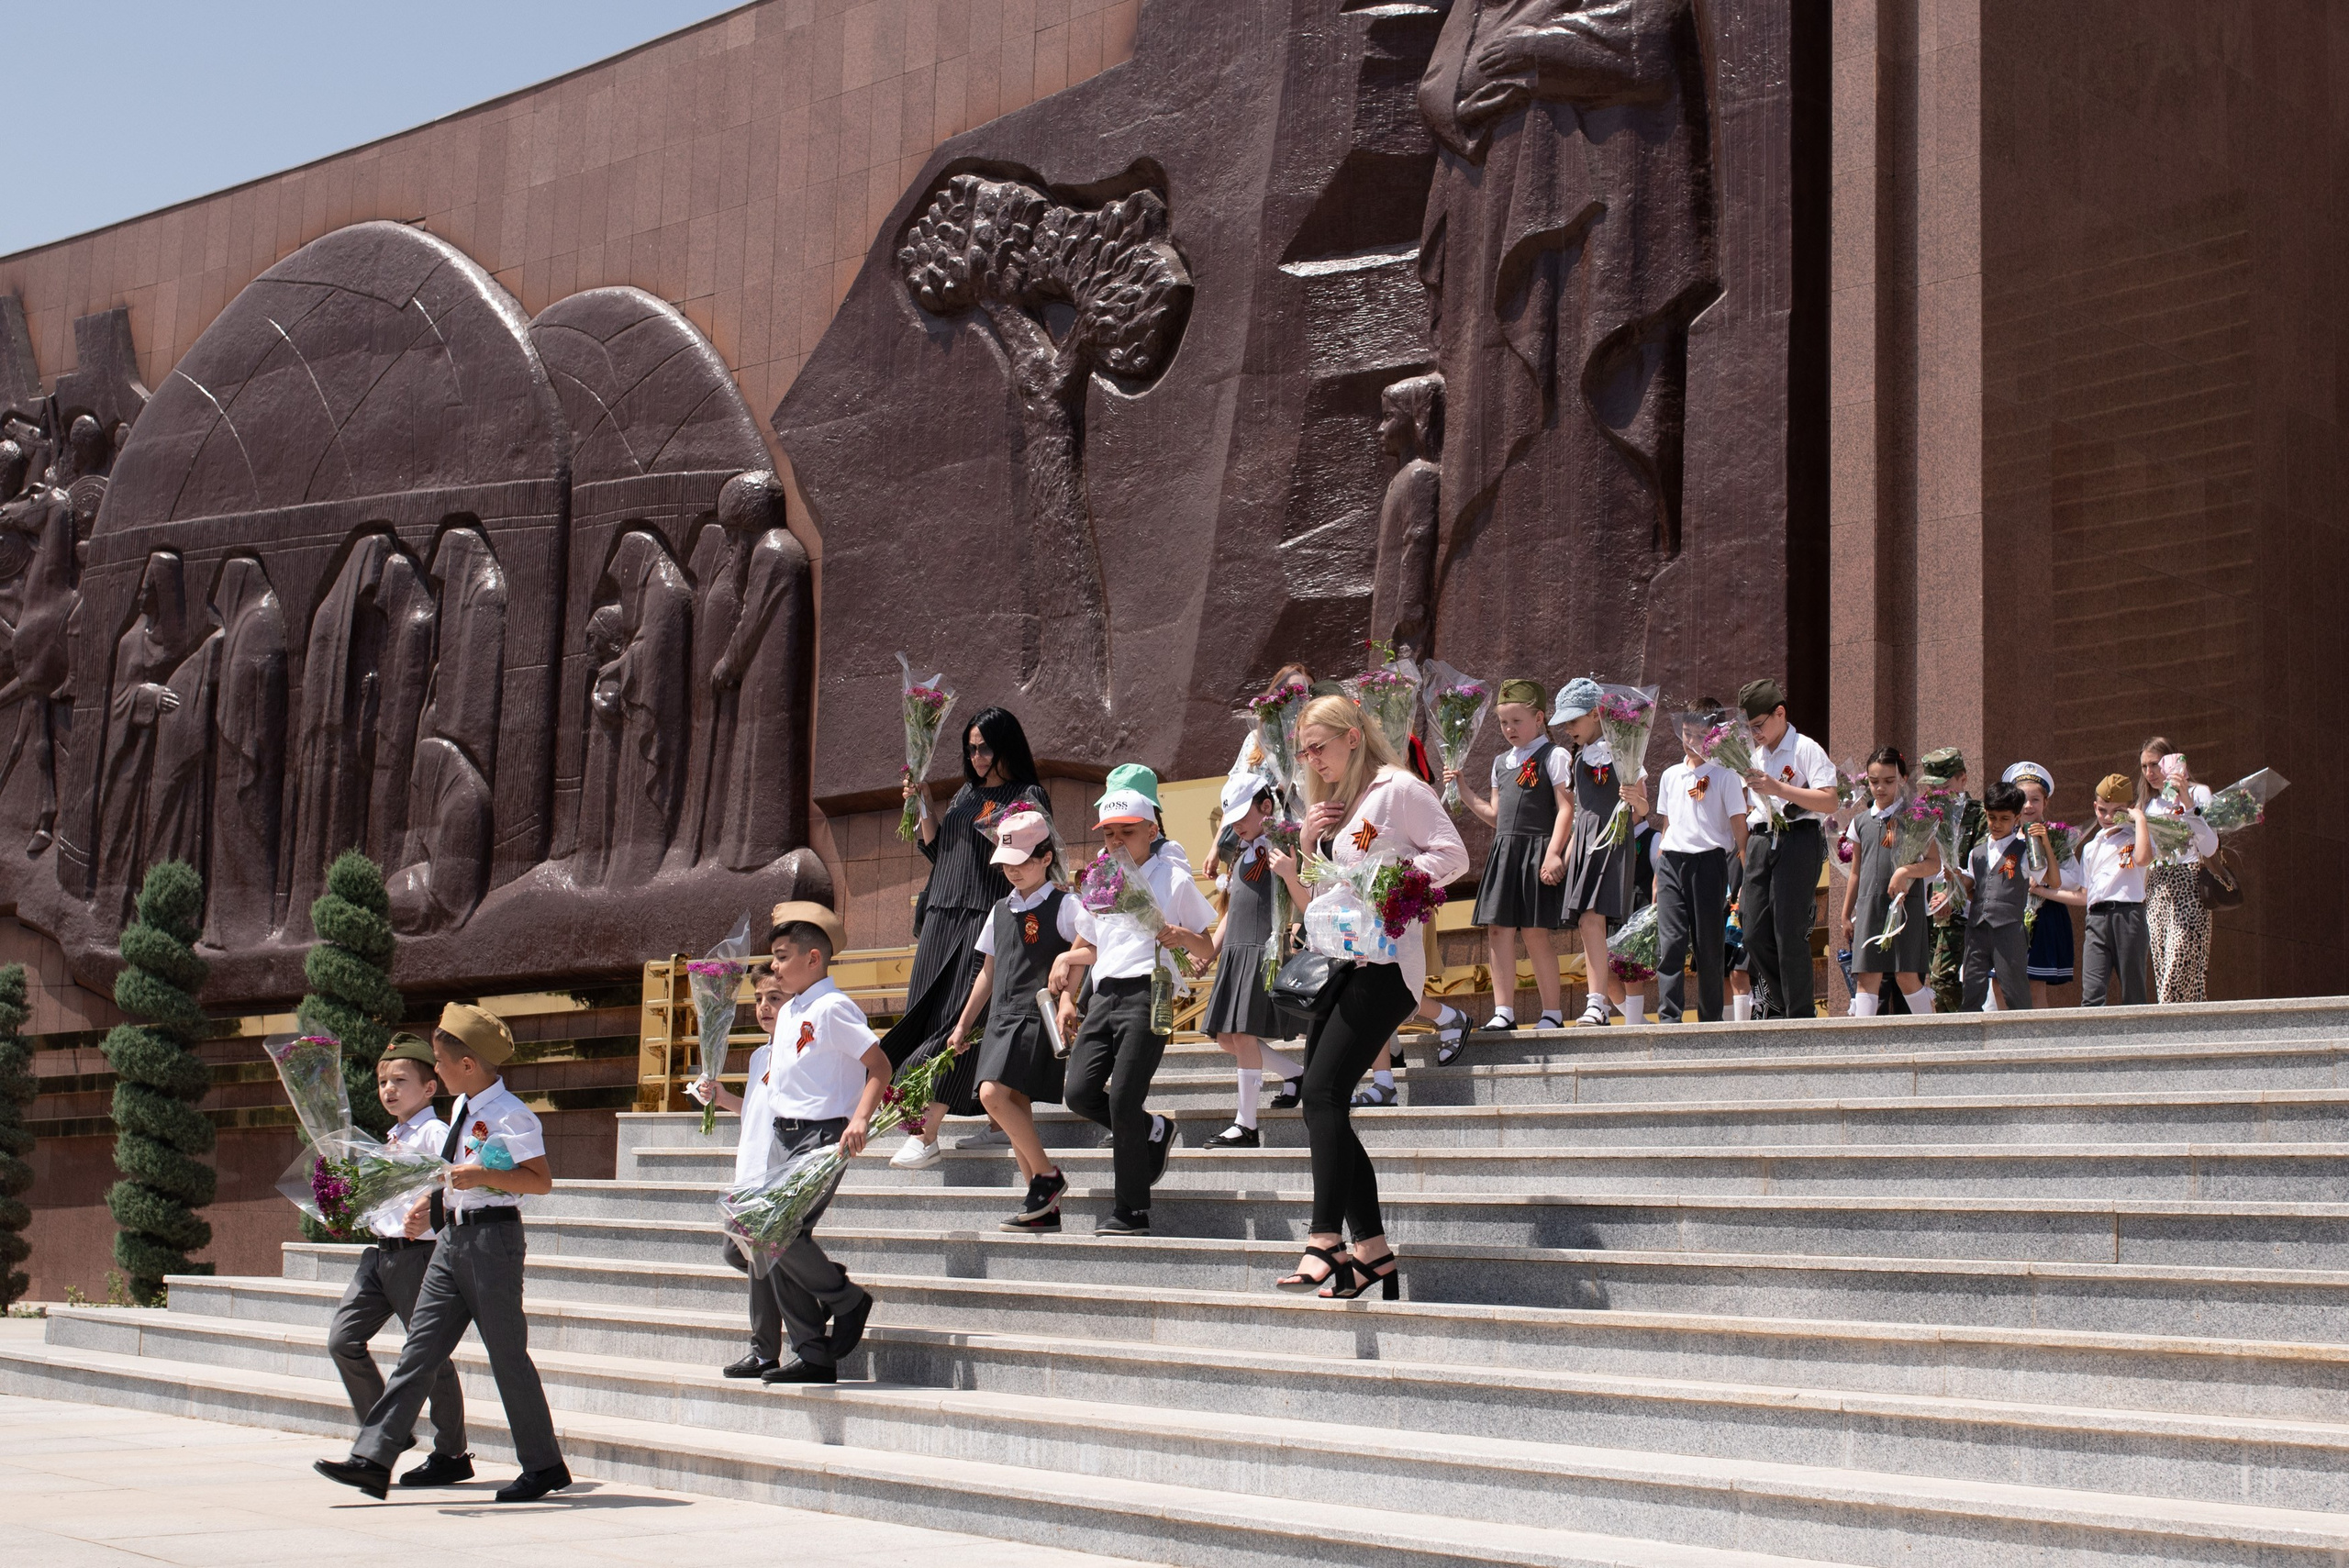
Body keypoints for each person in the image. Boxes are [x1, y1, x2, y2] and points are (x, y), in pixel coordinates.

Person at [316, 1005, 568, 1503]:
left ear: (468, 1065)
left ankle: (544, 1465)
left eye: (441, 1061)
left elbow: (540, 1181)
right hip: (452, 1239)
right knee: (420, 1350)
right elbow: (447, 1177)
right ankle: (373, 1459)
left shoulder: (510, 1113)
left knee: (506, 1355)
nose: (438, 1069)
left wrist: (484, 1177)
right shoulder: (461, 1110)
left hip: (492, 1241)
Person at [1275, 695, 1467, 1301]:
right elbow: (1330, 892)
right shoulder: (1339, 806)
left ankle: (1326, 1238)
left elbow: (1453, 855)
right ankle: (1374, 1251)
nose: (1312, 759)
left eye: (1320, 746)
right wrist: (1310, 843)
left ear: (1353, 736)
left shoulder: (1398, 788)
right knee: (1321, 1098)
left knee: (1323, 1092)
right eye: (1304, 751)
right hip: (1342, 961)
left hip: (1386, 967)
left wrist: (1396, 880)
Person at [1052, 765, 1217, 1236]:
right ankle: (1155, 1130)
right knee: (1079, 1092)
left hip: (1151, 992)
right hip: (1104, 994)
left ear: (1152, 829)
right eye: (1109, 833)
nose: (1117, 841)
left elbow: (1206, 949)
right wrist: (1068, 992)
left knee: (1124, 1099)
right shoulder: (1100, 879)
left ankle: (1132, 1210)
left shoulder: (1174, 879)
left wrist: (1183, 935)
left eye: (1128, 831)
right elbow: (1092, 944)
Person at [892, 707, 1052, 1169]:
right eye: (970, 748)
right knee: (925, 1015)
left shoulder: (1027, 794)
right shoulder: (963, 793)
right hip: (941, 914)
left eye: (984, 747)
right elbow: (940, 851)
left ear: (1006, 745)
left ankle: (926, 1134)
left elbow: (1033, 858)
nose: (976, 756)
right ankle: (1000, 1124)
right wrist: (922, 804)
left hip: (985, 916)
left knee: (955, 1019)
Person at [322, 1033, 469, 1487]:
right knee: (342, 1340)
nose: (388, 1089)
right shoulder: (390, 1138)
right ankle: (390, 1429)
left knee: (431, 1357)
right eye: (383, 1081)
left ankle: (451, 1452)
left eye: (400, 1080)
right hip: (378, 1258)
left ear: (429, 1088)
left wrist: (424, 1223)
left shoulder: (436, 1134)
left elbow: (454, 1190)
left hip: (418, 1258)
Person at [757, 901, 889, 1384]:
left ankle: (846, 1299)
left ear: (814, 958)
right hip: (783, 1134)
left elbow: (880, 1066)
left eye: (782, 955)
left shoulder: (834, 1007)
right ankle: (814, 1354)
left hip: (821, 1136)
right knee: (771, 1239)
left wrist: (859, 1119)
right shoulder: (792, 1007)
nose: (774, 965)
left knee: (776, 1231)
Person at [945, 810, 1085, 1229]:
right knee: (1014, 1103)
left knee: (991, 1096)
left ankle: (1047, 1177)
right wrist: (963, 1023)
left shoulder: (1066, 903)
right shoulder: (999, 909)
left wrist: (1068, 999)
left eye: (1022, 861)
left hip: (1035, 1015)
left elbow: (1090, 942)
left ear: (1045, 857)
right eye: (1006, 863)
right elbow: (988, 971)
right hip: (1001, 1019)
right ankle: (1042, 1207)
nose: (1012, 871)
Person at [689, 964, 793, 1378]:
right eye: (759, 1000)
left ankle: (764, 1351)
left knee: (757, 1259)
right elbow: (754, 1110)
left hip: (776, 1172)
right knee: (739, 1252)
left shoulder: (797, 1050)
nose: (764, 1007)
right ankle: (814, 1279)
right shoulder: (759, 1055)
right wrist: (719, 1096)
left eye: (775, 999)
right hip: (749, 1169)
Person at [1453, 678, 1573, 1037]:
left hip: (1537, 850)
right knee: (1498, 930)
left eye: (1517, 721)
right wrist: (1461, 787)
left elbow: (1566, 807)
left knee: (1536, 932)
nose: (1509, 729)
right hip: (1505, 851)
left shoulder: (1555, 755)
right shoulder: (1500, 762)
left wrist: (1554, 852)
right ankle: (1503, 1010)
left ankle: (1551, 1011)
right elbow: (1495, 815)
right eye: (1504, 723)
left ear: (1539, 718)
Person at [1197, 775, 1305, 1148]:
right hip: (1236, 950)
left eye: (1245, 815)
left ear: (1267, 807)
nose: (1238, 825)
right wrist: (1211, 948)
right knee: (1227, 1037)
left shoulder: (1283, 844)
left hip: (1262, 948)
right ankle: (1295, 1074)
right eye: (1233, 819)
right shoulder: (1242, 849)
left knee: (1241, 1035)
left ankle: (1246, 1124)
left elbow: (1298, 893)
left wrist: (1292, 929)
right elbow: (1233, 907)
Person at [1734, 679, 1841, 1019]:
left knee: (1788, 930)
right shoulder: (1754, 755)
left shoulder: (1805, 749)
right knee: (1751, 931)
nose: (1755, 734)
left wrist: (1778, 787)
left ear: (1780, 713)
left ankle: (1800, 1014)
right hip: (1761, 839)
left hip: (1798, 838)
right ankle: (1785, 998)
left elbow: (1829, 799)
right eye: (1750, 728)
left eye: (1759, 726)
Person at [1549, 677, 1645, 1028]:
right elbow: (1579, 812)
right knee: (1588, 924)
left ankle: (1597, 1003)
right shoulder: (1578, 759)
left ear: (1594, 714)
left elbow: (1642, 808)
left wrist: (1634, 804)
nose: (1568, 728)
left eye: (1573, 720)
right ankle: (1598, 1002)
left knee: (1592, 919)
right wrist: (1564, 854)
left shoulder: (1623, 749)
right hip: (1585, 845)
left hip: (1612, 840)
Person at [1648, 710, 1750, 1023]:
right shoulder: (1670, 775)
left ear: (1715, 735)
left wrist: (1745, 876)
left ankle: (1710, 1020)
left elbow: (1739, 829)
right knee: (1672, 943)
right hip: (1671, 864)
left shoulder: (1726, 775)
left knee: (1708, 947)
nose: (1691, 742)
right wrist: (1658, 872)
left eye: (1700, 735)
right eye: (1687, 734)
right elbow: (1668, 825)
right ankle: (1669, 1018)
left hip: (1708, 864)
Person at [1834, 748, 1940, 1018]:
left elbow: (1934, 863)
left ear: (1903, 779)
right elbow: (1856, 871)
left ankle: (1933, 1032)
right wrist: (1846, 914)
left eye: (1889, 781)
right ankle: (1865, 1048)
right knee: (1866, 976)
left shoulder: (1916, 817)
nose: (1880, 788)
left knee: (1906, 975)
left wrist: (1905, 871)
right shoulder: (1860, 822)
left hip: (1905, 906)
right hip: (1869, 904)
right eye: (1873, 781)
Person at [1957, 781, 2056, 1011]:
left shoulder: (2024, 850)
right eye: (1992, 817)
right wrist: (1955, 880)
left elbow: (2053, 880)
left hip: (2009, 929)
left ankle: (2022, 1041)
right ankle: (1969, 1040)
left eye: (2004, 818)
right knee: (1971, 989)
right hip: (1977, 928)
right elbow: (1973, 888)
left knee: (2015, 991)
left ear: (2017, 818)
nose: (1997, 824)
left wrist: (2046, 843)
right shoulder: (1977, 853)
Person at [2139, 739, 2220, 1004]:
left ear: (2173, 761)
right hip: (2158, 888)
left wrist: (2186, 801)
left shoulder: (2199, 793)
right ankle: (2188, 1034)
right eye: (2144, 766)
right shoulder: (2149, 806)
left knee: (2180, 965)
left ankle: (2167, 1030)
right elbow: (2146, 857)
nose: (2149, 772)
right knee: (2165, 969)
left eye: (2155, 764)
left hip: (2190, 883)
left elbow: (2209, 847)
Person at [2076, 773, 2155, 1006]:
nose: (2109, 817)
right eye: (2102, 810)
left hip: (2128, 916)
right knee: (2091, 994)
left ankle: (2138, 1041)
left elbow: (2142, 859)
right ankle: (2091, 1042)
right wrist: (2042, 890)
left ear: (2130, 809)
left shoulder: (2137, 836)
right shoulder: (2092, 847)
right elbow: (2084, 894)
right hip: (2096, 918)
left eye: (2117, 811)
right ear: (2095, 807)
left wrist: (2140, 821)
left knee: (2133, 991)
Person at [1919, 748, 1987, 1013]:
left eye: (1945, 786)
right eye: (1933, 787)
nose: (1939, 793)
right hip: (1924, 907)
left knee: (1944, 979)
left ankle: (1967, 1033)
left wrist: (1951, 892)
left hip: (1960, 910)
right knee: (1930, 984)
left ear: (1963, 779)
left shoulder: (1979, 814)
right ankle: (1949, 1044)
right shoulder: (1922, 814)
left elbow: (1979, 864)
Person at [2005, 762, 2077, 1007]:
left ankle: (2038, 1041)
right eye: (2022, 799)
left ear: (2045, 803)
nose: (2028, 806)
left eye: (2035, 800)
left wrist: (2044, 879)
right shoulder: (2004, 836)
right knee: (2001, 984)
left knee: (2035, 986)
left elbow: (2074, 879)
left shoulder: (2057, 836)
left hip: (2044, 916)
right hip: (2009, 916)